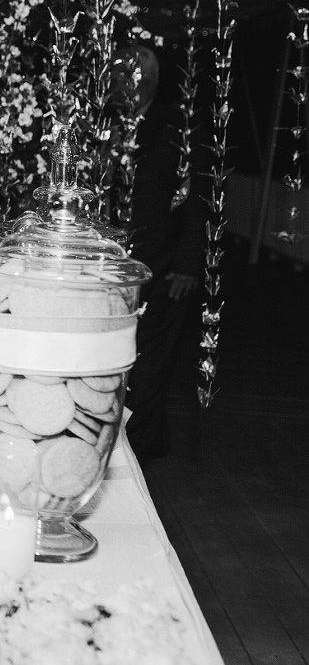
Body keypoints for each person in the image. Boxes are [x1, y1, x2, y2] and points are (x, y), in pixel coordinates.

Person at [118, 45, 206, 459]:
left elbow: (198, 199)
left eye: (132, 77)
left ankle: (141, 450)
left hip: (166, 266)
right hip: (118, 267)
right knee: (121, 359)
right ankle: (148, 437)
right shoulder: (111, 124)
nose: (124, 84)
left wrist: (189, 264)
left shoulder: (177, 126)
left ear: (149, 82)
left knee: (151, 364)